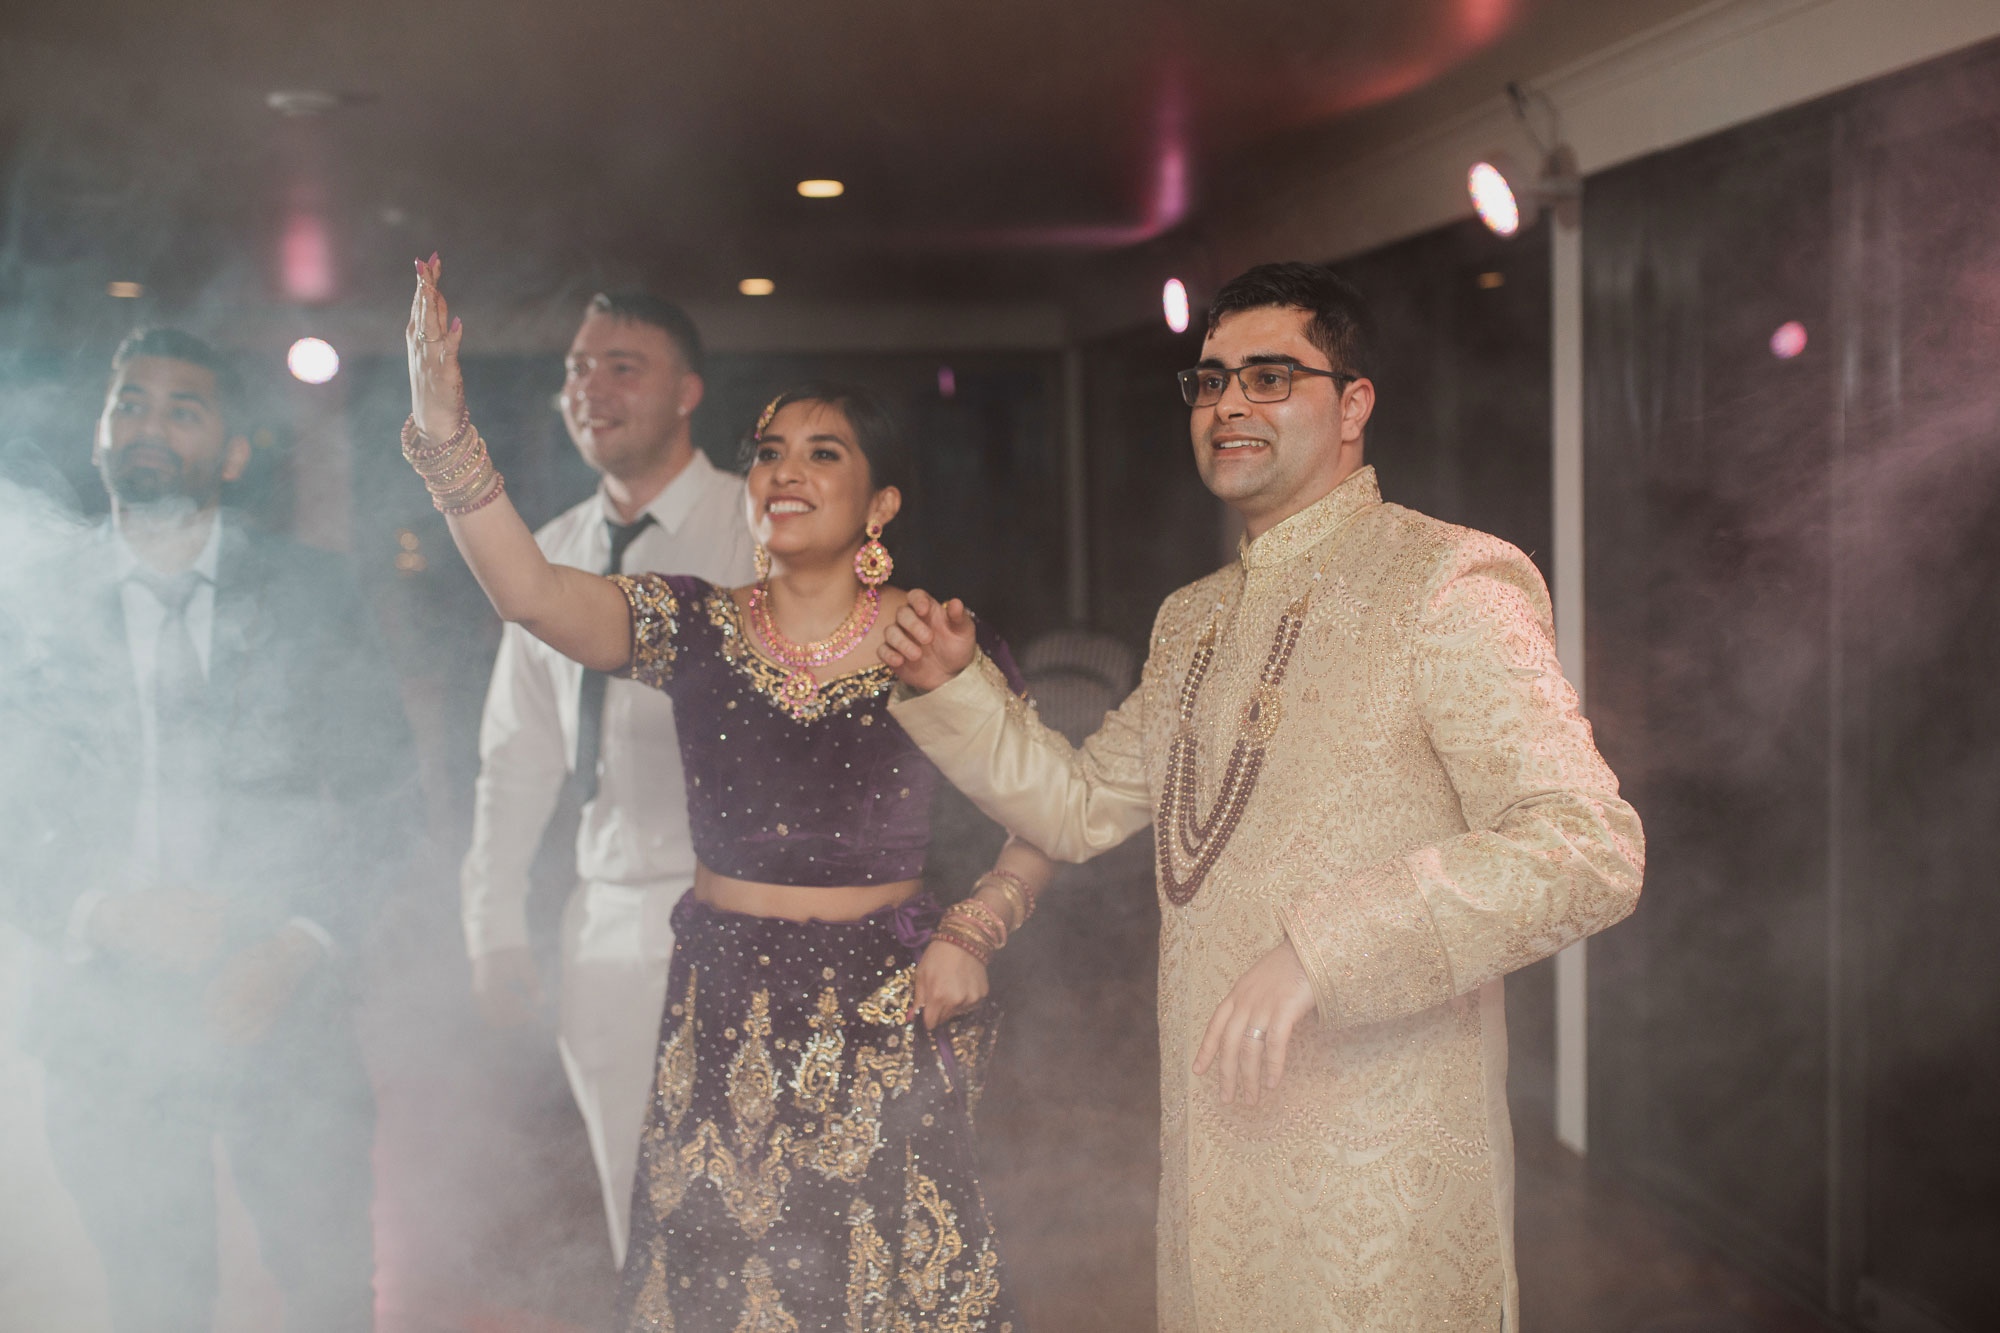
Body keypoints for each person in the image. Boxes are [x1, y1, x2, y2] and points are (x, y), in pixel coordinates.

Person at [881, 261, 1646, 1331]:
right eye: (1208, 381)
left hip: (1379, 1159)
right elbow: (1074, 806)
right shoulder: (1191, 619)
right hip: (1217, 1142)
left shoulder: (1447, 580)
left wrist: (1317, 952)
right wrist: (951, 689)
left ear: (1352, 403)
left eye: (1269, 376)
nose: (1228, 404)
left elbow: (1586, 846)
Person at [403, 257, 1042, 1331]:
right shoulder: (693, 623)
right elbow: (526, 589)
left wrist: (972, 931)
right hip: (720, 1006)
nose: (783, 472)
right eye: (769, 453)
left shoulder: (924, 642)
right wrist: (443, 435)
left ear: (880, 500)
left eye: (822, 453)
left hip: (879, 1011)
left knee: (876, 1299)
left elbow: (1041, 819)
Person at [4, 327, 419, 1332]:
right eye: (130, 403)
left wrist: (298, 942)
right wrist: (100, 914)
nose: (150, 424)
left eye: (184, 409)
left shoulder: (313, 594)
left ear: (232, 453)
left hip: (284, 997)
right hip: (108, 1018)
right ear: (102, 436)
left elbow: (384, 795)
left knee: (328, 1294)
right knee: (154, 1301)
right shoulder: (29, 604)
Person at [459, 290, 757, 1265]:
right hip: (605, 919)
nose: (591, 387)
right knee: (643, 1230)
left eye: (622, 365)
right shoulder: (544, 551)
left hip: (748, 913)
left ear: (687, 392)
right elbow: (518, 755)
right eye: (577, 368)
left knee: (760, 1224)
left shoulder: (752, 527)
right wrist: (494, 925)